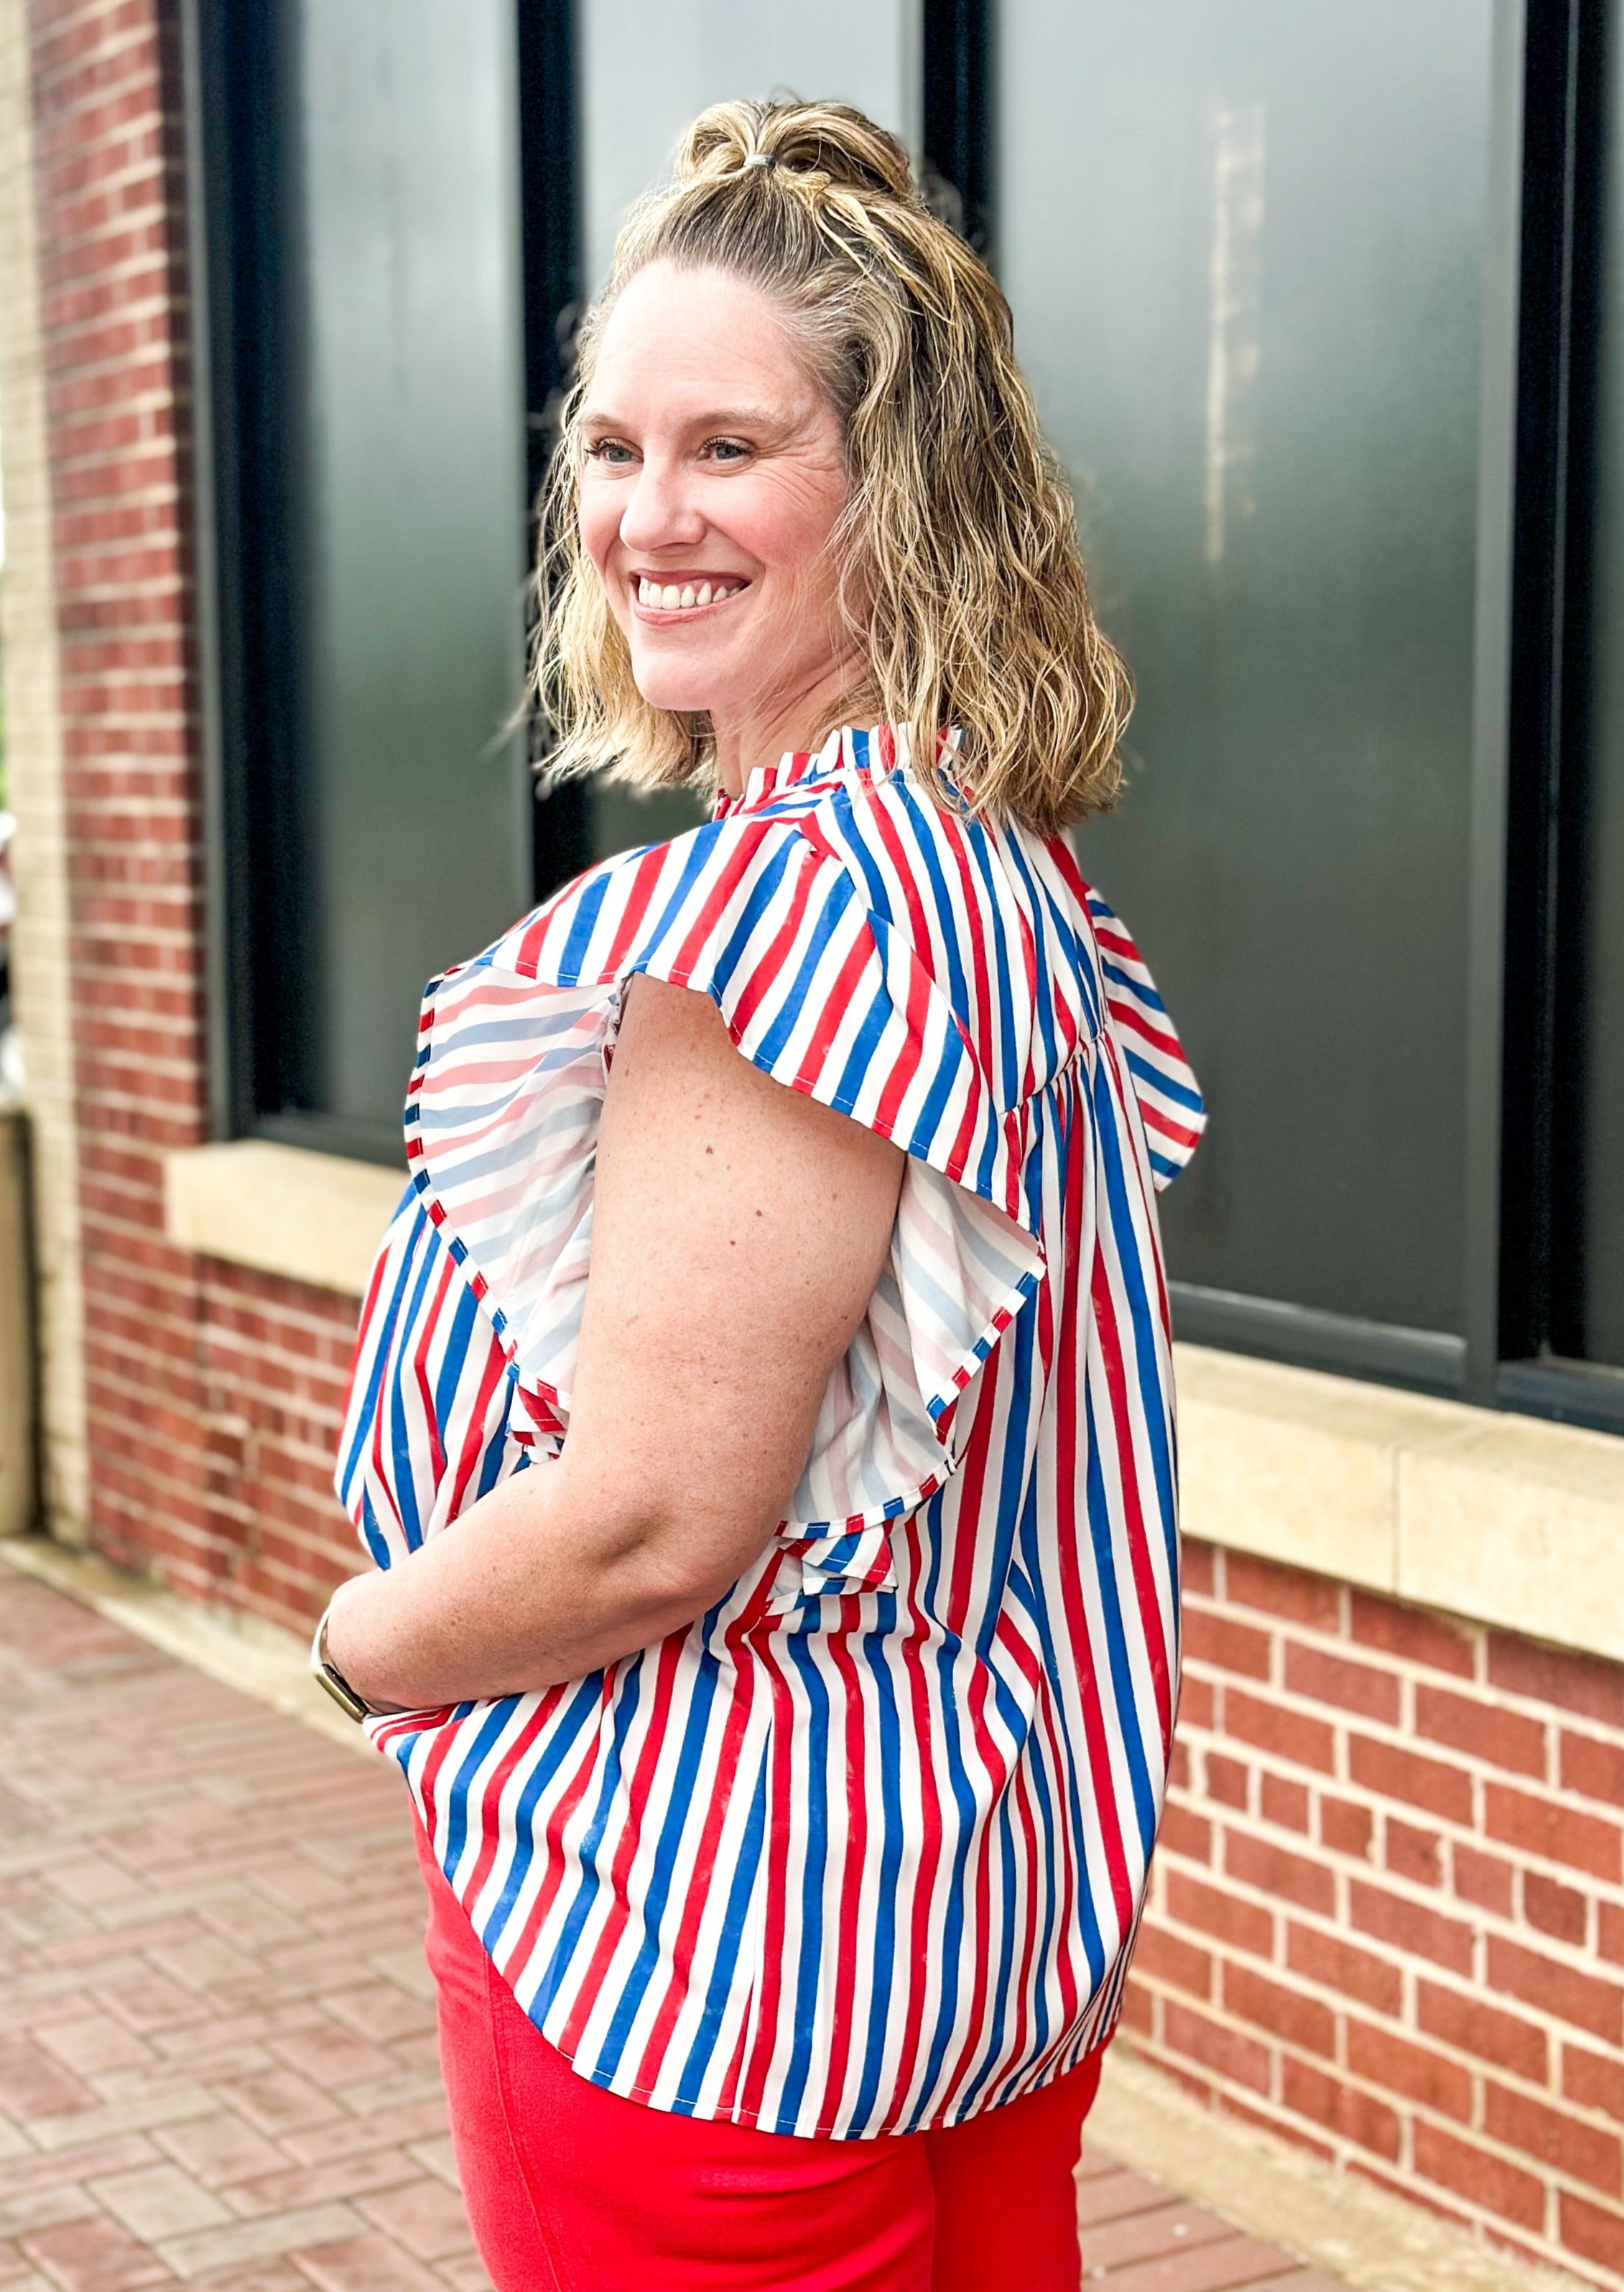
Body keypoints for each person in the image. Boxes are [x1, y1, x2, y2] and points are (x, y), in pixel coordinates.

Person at [312, 97, 1205, 2292]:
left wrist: (356, 1654)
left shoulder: (783, 926)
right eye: (611, 450)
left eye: (730, 448)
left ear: (896, 492)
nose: (643, 515)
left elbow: (649, 1519)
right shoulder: (990, 873)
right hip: (951, 1927)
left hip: (688, 1956)